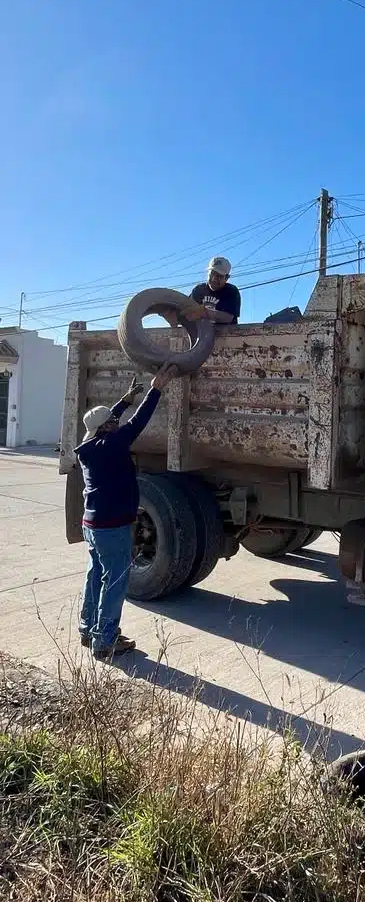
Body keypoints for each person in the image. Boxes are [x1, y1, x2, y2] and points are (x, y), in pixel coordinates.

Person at [74, 364, 178, 659]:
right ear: (107, 428)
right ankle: (105, 640)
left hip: (92, 524)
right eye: (112, 422)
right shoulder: (112, 445)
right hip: (111, 526)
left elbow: (113, 422)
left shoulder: (91, 445)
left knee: (96, 574)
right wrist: (156, 388)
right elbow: (138, 423)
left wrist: (124, 400)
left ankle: (87, 629)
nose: (116, 424)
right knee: (116, 580)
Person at [187, 256, 241, 325]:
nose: (214, 279)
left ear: (227, 278)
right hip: (201, 334)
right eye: (212, 273)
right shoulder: (198, 290)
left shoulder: (231, 291)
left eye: (219, 276)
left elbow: (229, 317)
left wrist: (204, 312)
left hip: (227, 334)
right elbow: (187, 312)